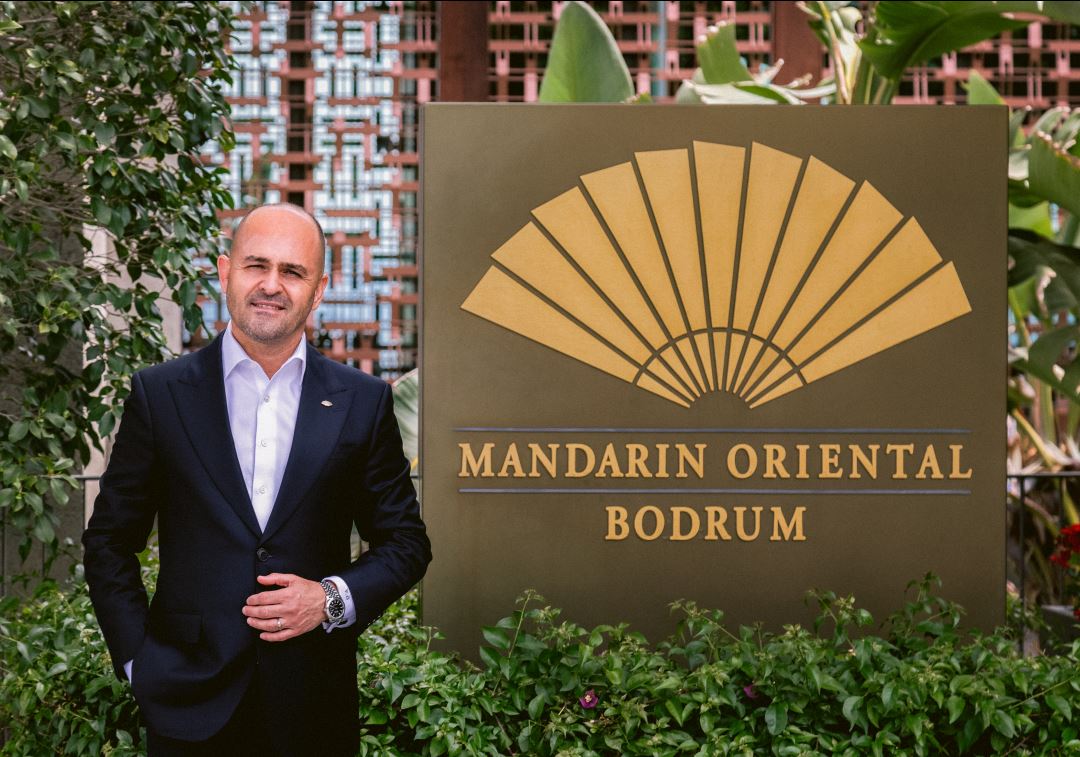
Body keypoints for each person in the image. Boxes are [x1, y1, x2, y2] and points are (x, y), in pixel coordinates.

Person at [82, 204, 431, 756]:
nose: (271, 285)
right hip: (185, 707)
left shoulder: (362, 402)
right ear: (226, 272)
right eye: (256, 265)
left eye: (293, 272)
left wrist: (329, 598)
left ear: (318, 291)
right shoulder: (161, 395)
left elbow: (406, 543)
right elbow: (108, 542)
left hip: (313, 707)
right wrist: (137, 662)